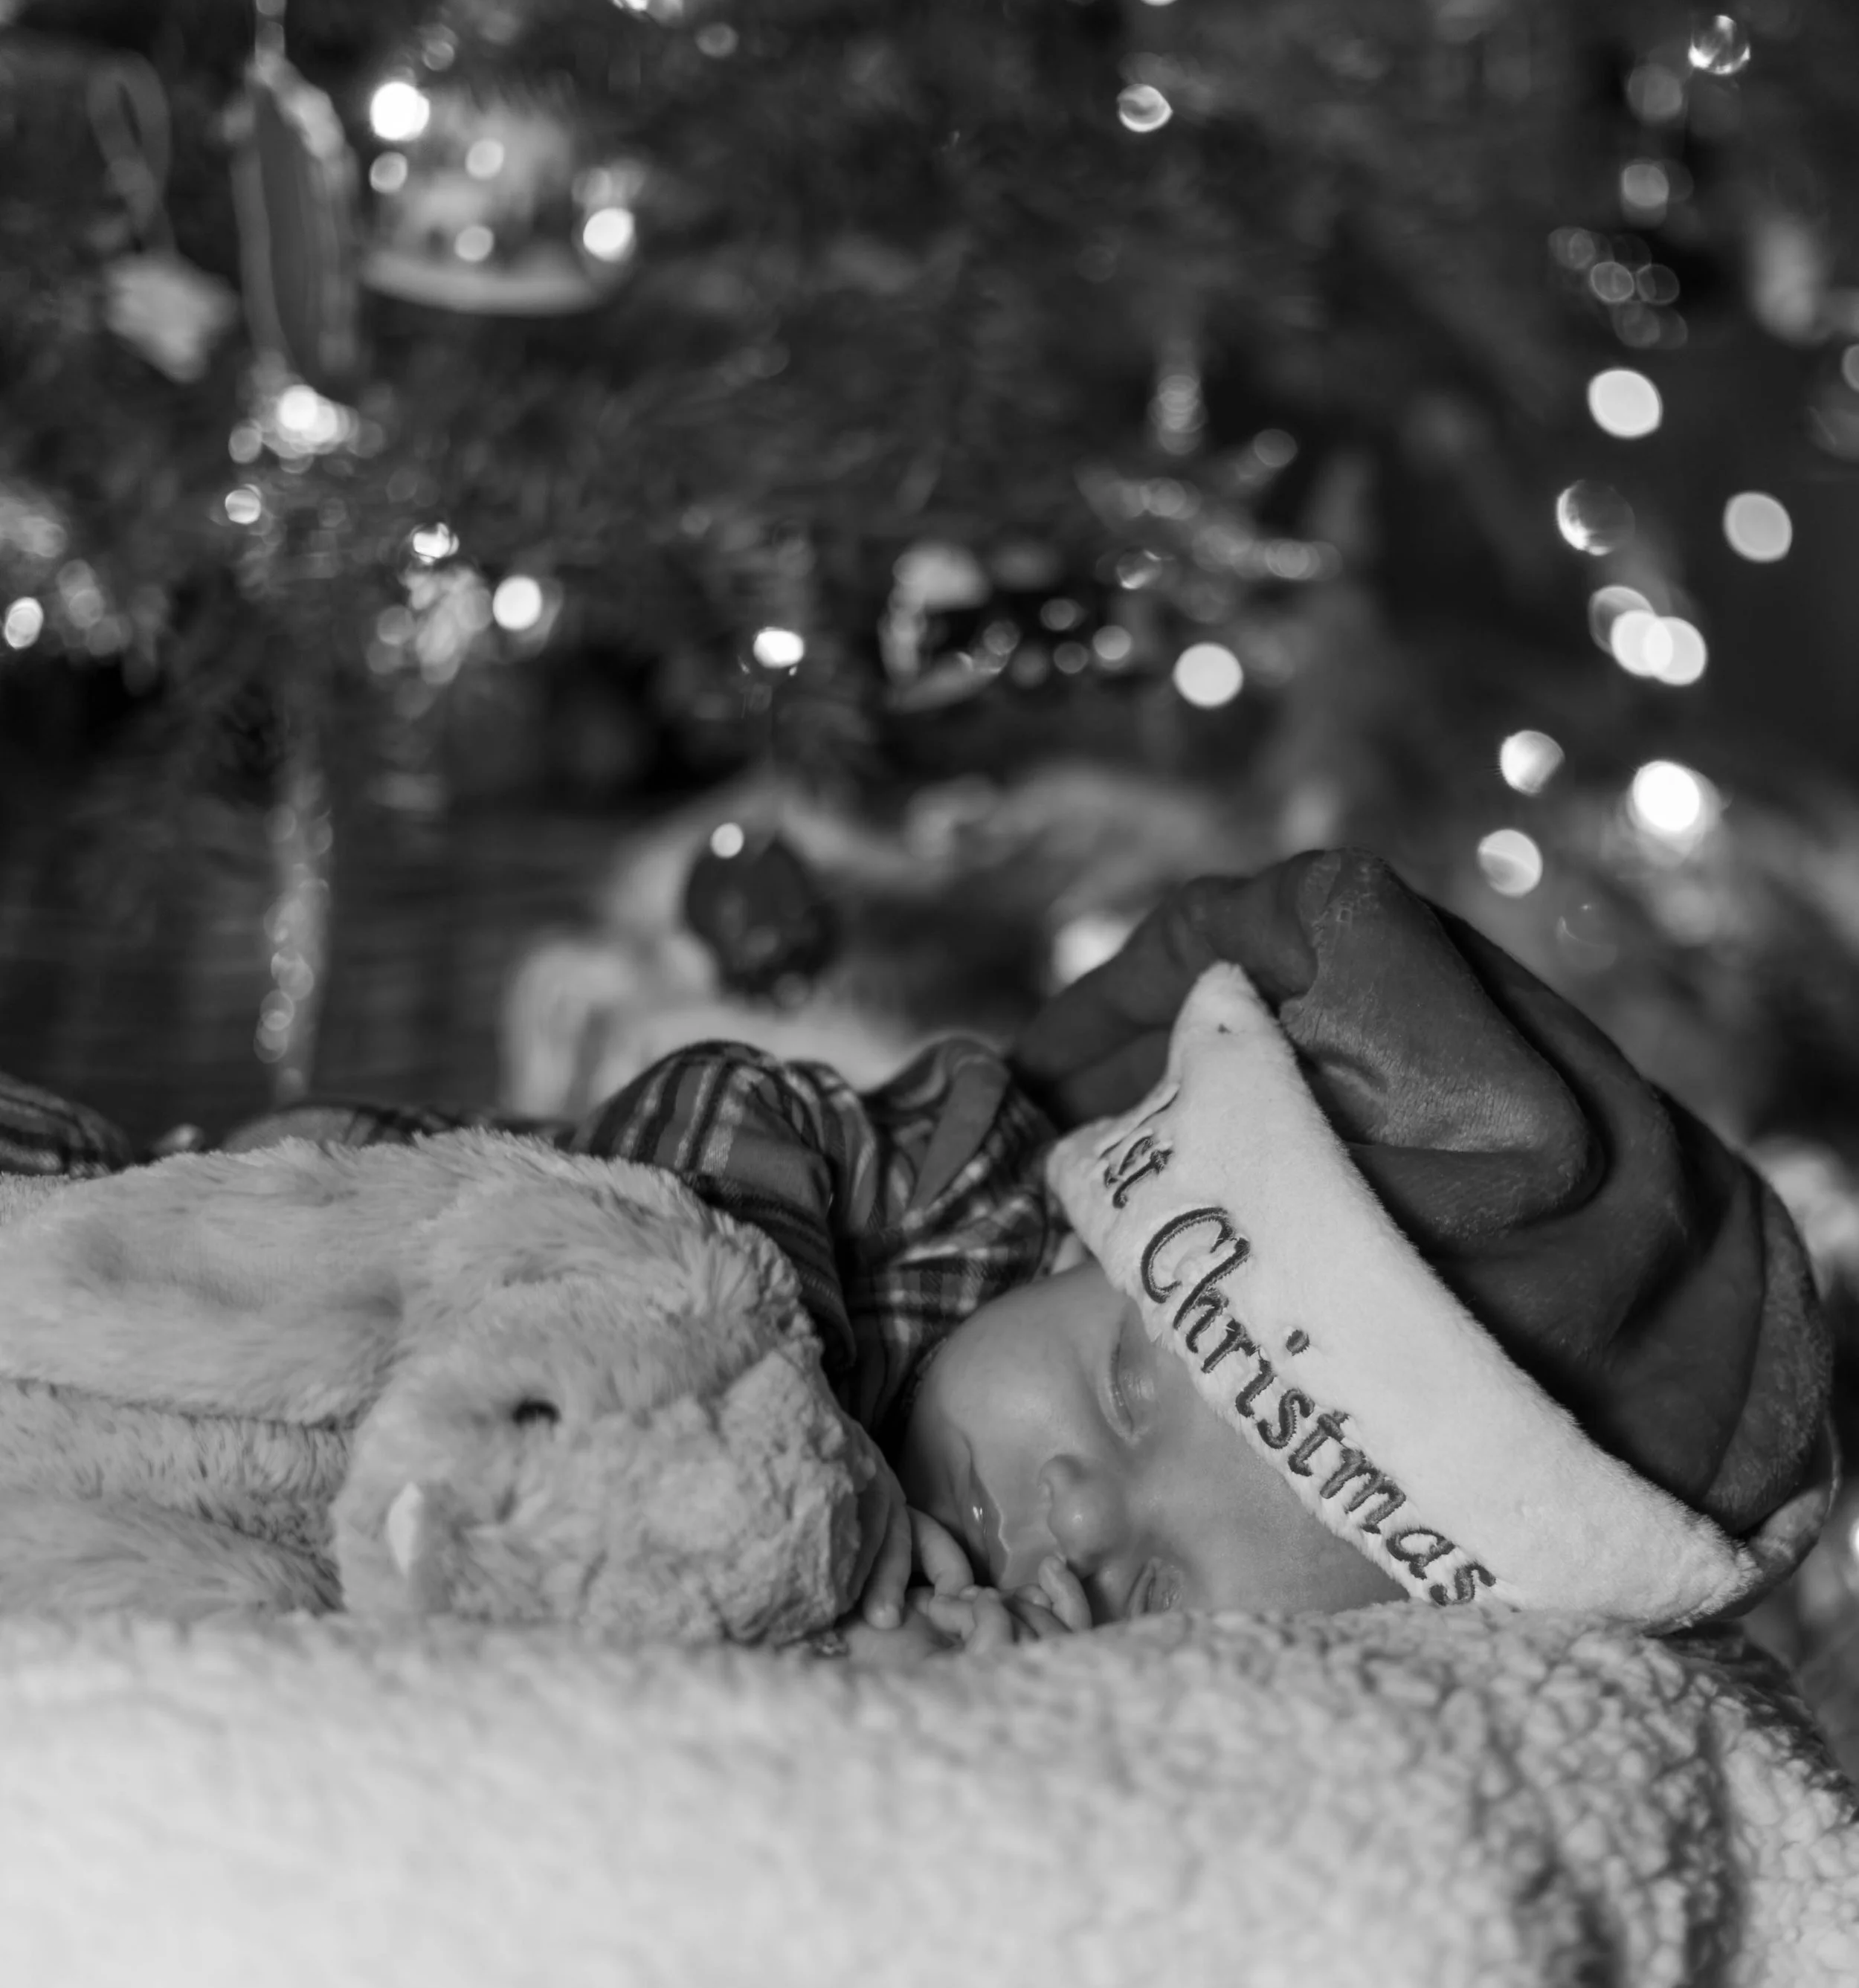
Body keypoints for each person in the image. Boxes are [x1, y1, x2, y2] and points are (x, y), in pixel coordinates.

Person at [1, 850, 1834, 1662]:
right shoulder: (950, 1204)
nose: (1075, 1509)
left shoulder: (1013, 1658)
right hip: (304, 1250)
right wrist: (773, 1418)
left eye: (1172, 1582)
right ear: (1091, 1236)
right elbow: (722, 1123)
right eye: (1125, 1387)